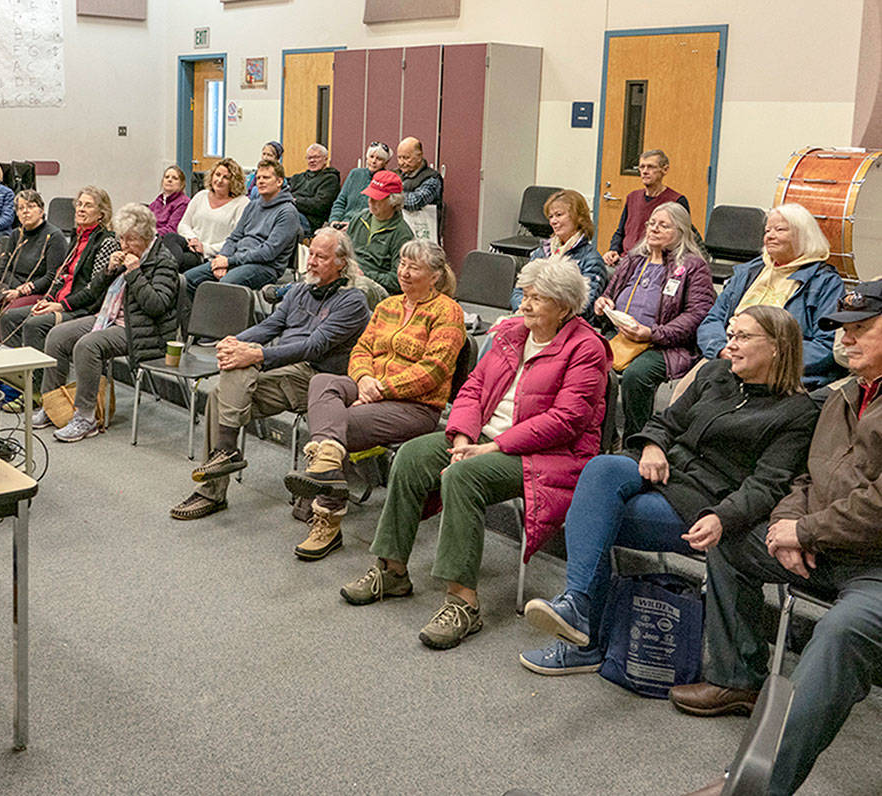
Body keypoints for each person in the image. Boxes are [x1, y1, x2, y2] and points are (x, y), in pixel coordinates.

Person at [669, 281, 882, 796]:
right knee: (730, 535)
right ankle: (736, 678)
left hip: (874, 565)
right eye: (842, 330)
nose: (846, 340)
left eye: (862, 329)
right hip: (824, 545)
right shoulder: (842, 397)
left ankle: (753, 786)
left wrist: (805, 528)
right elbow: (804, 479)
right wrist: (788, 526)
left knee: (839, 633)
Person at [520, 306, 816, 676]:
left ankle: (585, 635)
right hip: (662, 471)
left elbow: (767, 484)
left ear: (777, 346)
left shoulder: (797, 412)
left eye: (743, 337)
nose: (731, 346)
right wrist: (653, 446)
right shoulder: (715, 373)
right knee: (601, 468)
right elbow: (665, 422)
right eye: (730, 335)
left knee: (590, 516)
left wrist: (723, 517)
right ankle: (579, 609)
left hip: (701, 505)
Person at [338, 256, 610, 651]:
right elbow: (470, 390)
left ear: (565, 307)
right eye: (527, 295)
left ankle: (463, 601)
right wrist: (464, 437)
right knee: (413, 456)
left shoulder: (587, 348)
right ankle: (392, 570)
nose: (528, 304)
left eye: (540, 298)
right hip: (480, 438)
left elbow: (566, 421)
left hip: (544, 456)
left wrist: (495, 446)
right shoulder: (511, 334)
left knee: (463, 476)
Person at [169, 228, 371, 520]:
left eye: (321, 257)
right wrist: (235, 340)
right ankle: (213, 488)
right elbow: (271, 325)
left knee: (242, 365)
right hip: (282, 372)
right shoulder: (301, 290)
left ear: (341, 262)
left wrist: (256, 354)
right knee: (218, 394)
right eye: (310, 254)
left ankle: (226, 452)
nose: (311, 261)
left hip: (317, 381)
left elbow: (313, 347)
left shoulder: (352, 301)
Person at [284, 239, 465, 560]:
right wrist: (365, 380)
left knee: (339, 425)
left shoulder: (447, 312)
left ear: (435, 276)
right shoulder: (388, 306)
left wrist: (380, 389)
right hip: (371, 387)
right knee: (324, 382)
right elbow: (362, 349)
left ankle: (327, 518)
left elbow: (433, 371)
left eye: (414, 268)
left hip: (416, 405)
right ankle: (326, 467)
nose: (404, 273)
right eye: (402, 265)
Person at [34, 204, 180, 442]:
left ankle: (86, 417)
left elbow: (157, 306)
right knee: (57, 336)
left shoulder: (164, 262)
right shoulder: (126, 255)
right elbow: (94, 294)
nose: (124, 245)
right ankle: (52, 405)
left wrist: (134, 273)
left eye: (130, 240)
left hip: (142, 330)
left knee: (87, 345)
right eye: (121, 238)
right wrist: (109, 271)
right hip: (109, 317)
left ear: (146, 237)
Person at [595, 201, 715, 438]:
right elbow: (610, 292)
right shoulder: (633, 259)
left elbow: (697, 315)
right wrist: (604, 303)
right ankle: (603, 436)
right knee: (589, 362)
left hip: (664, 345)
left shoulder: (693, 265)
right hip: (622, 335)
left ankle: (636, 440)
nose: (654, 229)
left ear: (680, 232)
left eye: (664, 226)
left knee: (636, 376)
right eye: (652, 224)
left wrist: (652, 333)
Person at [695, 202, 844, 388]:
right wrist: (721, 349)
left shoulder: (824, 282)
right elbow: (712, 319)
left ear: (803, 236)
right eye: (767, 231)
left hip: (778, 372)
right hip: (727, 356)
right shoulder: (749, 272)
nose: (770, 236)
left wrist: (763, 358)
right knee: (685, 395)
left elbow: (825, 346)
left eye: (780, 230)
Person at [0, 186, 119, 349]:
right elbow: (60, 277)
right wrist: (47, 300)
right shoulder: (78, 236)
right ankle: (16, 371)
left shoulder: (106, 242)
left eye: (88, 206)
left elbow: (93, 289)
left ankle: (38, 374)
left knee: (34, 324)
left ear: (101, 213)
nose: (81, 210)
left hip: (80, 309)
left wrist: (61, 305)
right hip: (59, 300)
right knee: (8, 317)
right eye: (79, 204)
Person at [184, 158, 300, 295]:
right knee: (187, 279)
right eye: (258, 178)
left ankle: (222, 317)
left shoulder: (287, 213)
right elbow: (234, 237)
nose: (261, 181)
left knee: (223, 286)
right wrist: (222, 258)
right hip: (237, 259)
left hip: (264, 267)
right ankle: (196, 316)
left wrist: (229, 261)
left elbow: (268, 252)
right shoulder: (253, 205)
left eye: (266, 178)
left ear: (279, 181)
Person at [0, 189, 68, 325]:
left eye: (31, 206)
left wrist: (21, 291)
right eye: (21, 208)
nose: (25, 211)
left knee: (8, 314)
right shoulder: (16, 234)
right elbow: (4, 269)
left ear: (41, 210)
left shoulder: (54, 236)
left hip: (38, 291)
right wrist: (16, 289)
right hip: (13, 287)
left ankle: (4, 344)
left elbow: (53, 276)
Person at [508, 189, 607, 320]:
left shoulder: (591, 259)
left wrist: (543, 312)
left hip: (566, 327)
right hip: (531, 317)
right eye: (551, 216)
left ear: (578, 217)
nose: (553, 221)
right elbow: (519, 290)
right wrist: (524, 307)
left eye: (559, 215)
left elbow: (585, 306)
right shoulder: (542, 252)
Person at [603, 149, 690, 267]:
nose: (645, 171)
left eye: (650, 167)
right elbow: (620, 232)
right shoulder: (632, 197)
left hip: (655, 262)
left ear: (665, 170)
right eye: (642, 167)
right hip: (625, 260)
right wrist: (613, 250)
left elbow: (682, 240)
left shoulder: (676, 200)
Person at [162, 158, 248, 271]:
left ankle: (164, 272)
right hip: (190, 244)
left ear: (234, 181)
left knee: (174, 260)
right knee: (170, 237)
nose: (219, 180)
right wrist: (192, 239)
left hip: (209, 255)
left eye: (226, 177)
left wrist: (205, 248)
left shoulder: (242, 203)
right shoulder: (201, 196)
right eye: (217, 175)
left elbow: (237, 240)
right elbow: (183, 224)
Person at [344, 169, 416, 301]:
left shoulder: (402, 235)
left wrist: (365, 274)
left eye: (377, 198)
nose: (370, 201)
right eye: (369, 196)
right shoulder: (359, 219)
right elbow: (343, 251)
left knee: (358, 288)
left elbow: (397, 279)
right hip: (349, 274)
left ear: (393, 201)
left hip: (378, 288)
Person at [329, 141, 391, 226]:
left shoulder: (388, 180)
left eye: (379, 159)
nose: (373, 161)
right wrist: (334, 220)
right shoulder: (355, 174)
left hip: (365, 227)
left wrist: (352, 226)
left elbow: (380, 214)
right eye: (371, 157)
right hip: (343, 222)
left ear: (386, 162)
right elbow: (340, 202)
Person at [287, 143, 341, 235]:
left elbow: (319, 205)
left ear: (325, 159)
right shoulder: (298, 178)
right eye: (309, 158)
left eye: (316, 157)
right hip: (291, 211)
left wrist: (295, 201)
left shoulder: (330, 179)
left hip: (310, 221)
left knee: (283, 216)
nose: (312, 161)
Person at [395, 137, 443, 212]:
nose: (401, 162)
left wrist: (391, 197)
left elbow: (415, 202)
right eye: (399, 157)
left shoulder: (432, 178)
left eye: (406, 158)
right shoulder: (397, 173)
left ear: (419, 156)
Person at [149, 164, 191, 237]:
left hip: (165, 240)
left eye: (175, 178)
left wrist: (148, 234)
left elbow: (172, 229)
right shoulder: (157, 201)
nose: (169, 180)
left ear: (181, 184)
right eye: (167, 177)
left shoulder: (183, 203)